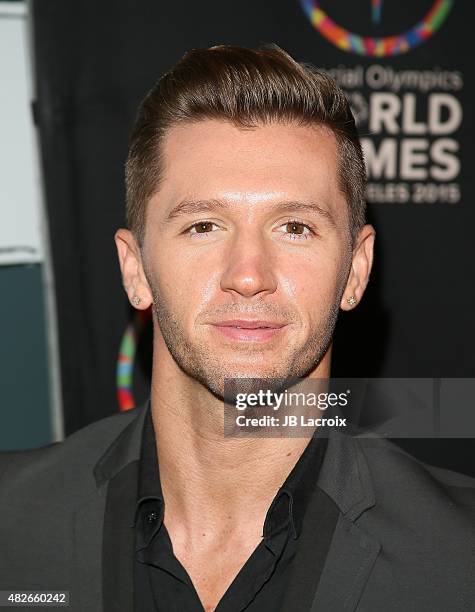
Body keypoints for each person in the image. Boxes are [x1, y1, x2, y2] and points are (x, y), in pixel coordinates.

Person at [1, 45, 474, 612]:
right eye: (204, 226)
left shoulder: (459, 559)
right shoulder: (10, 524)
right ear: (135, 270)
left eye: (295, 227)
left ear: (356, 270)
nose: (248, 275)